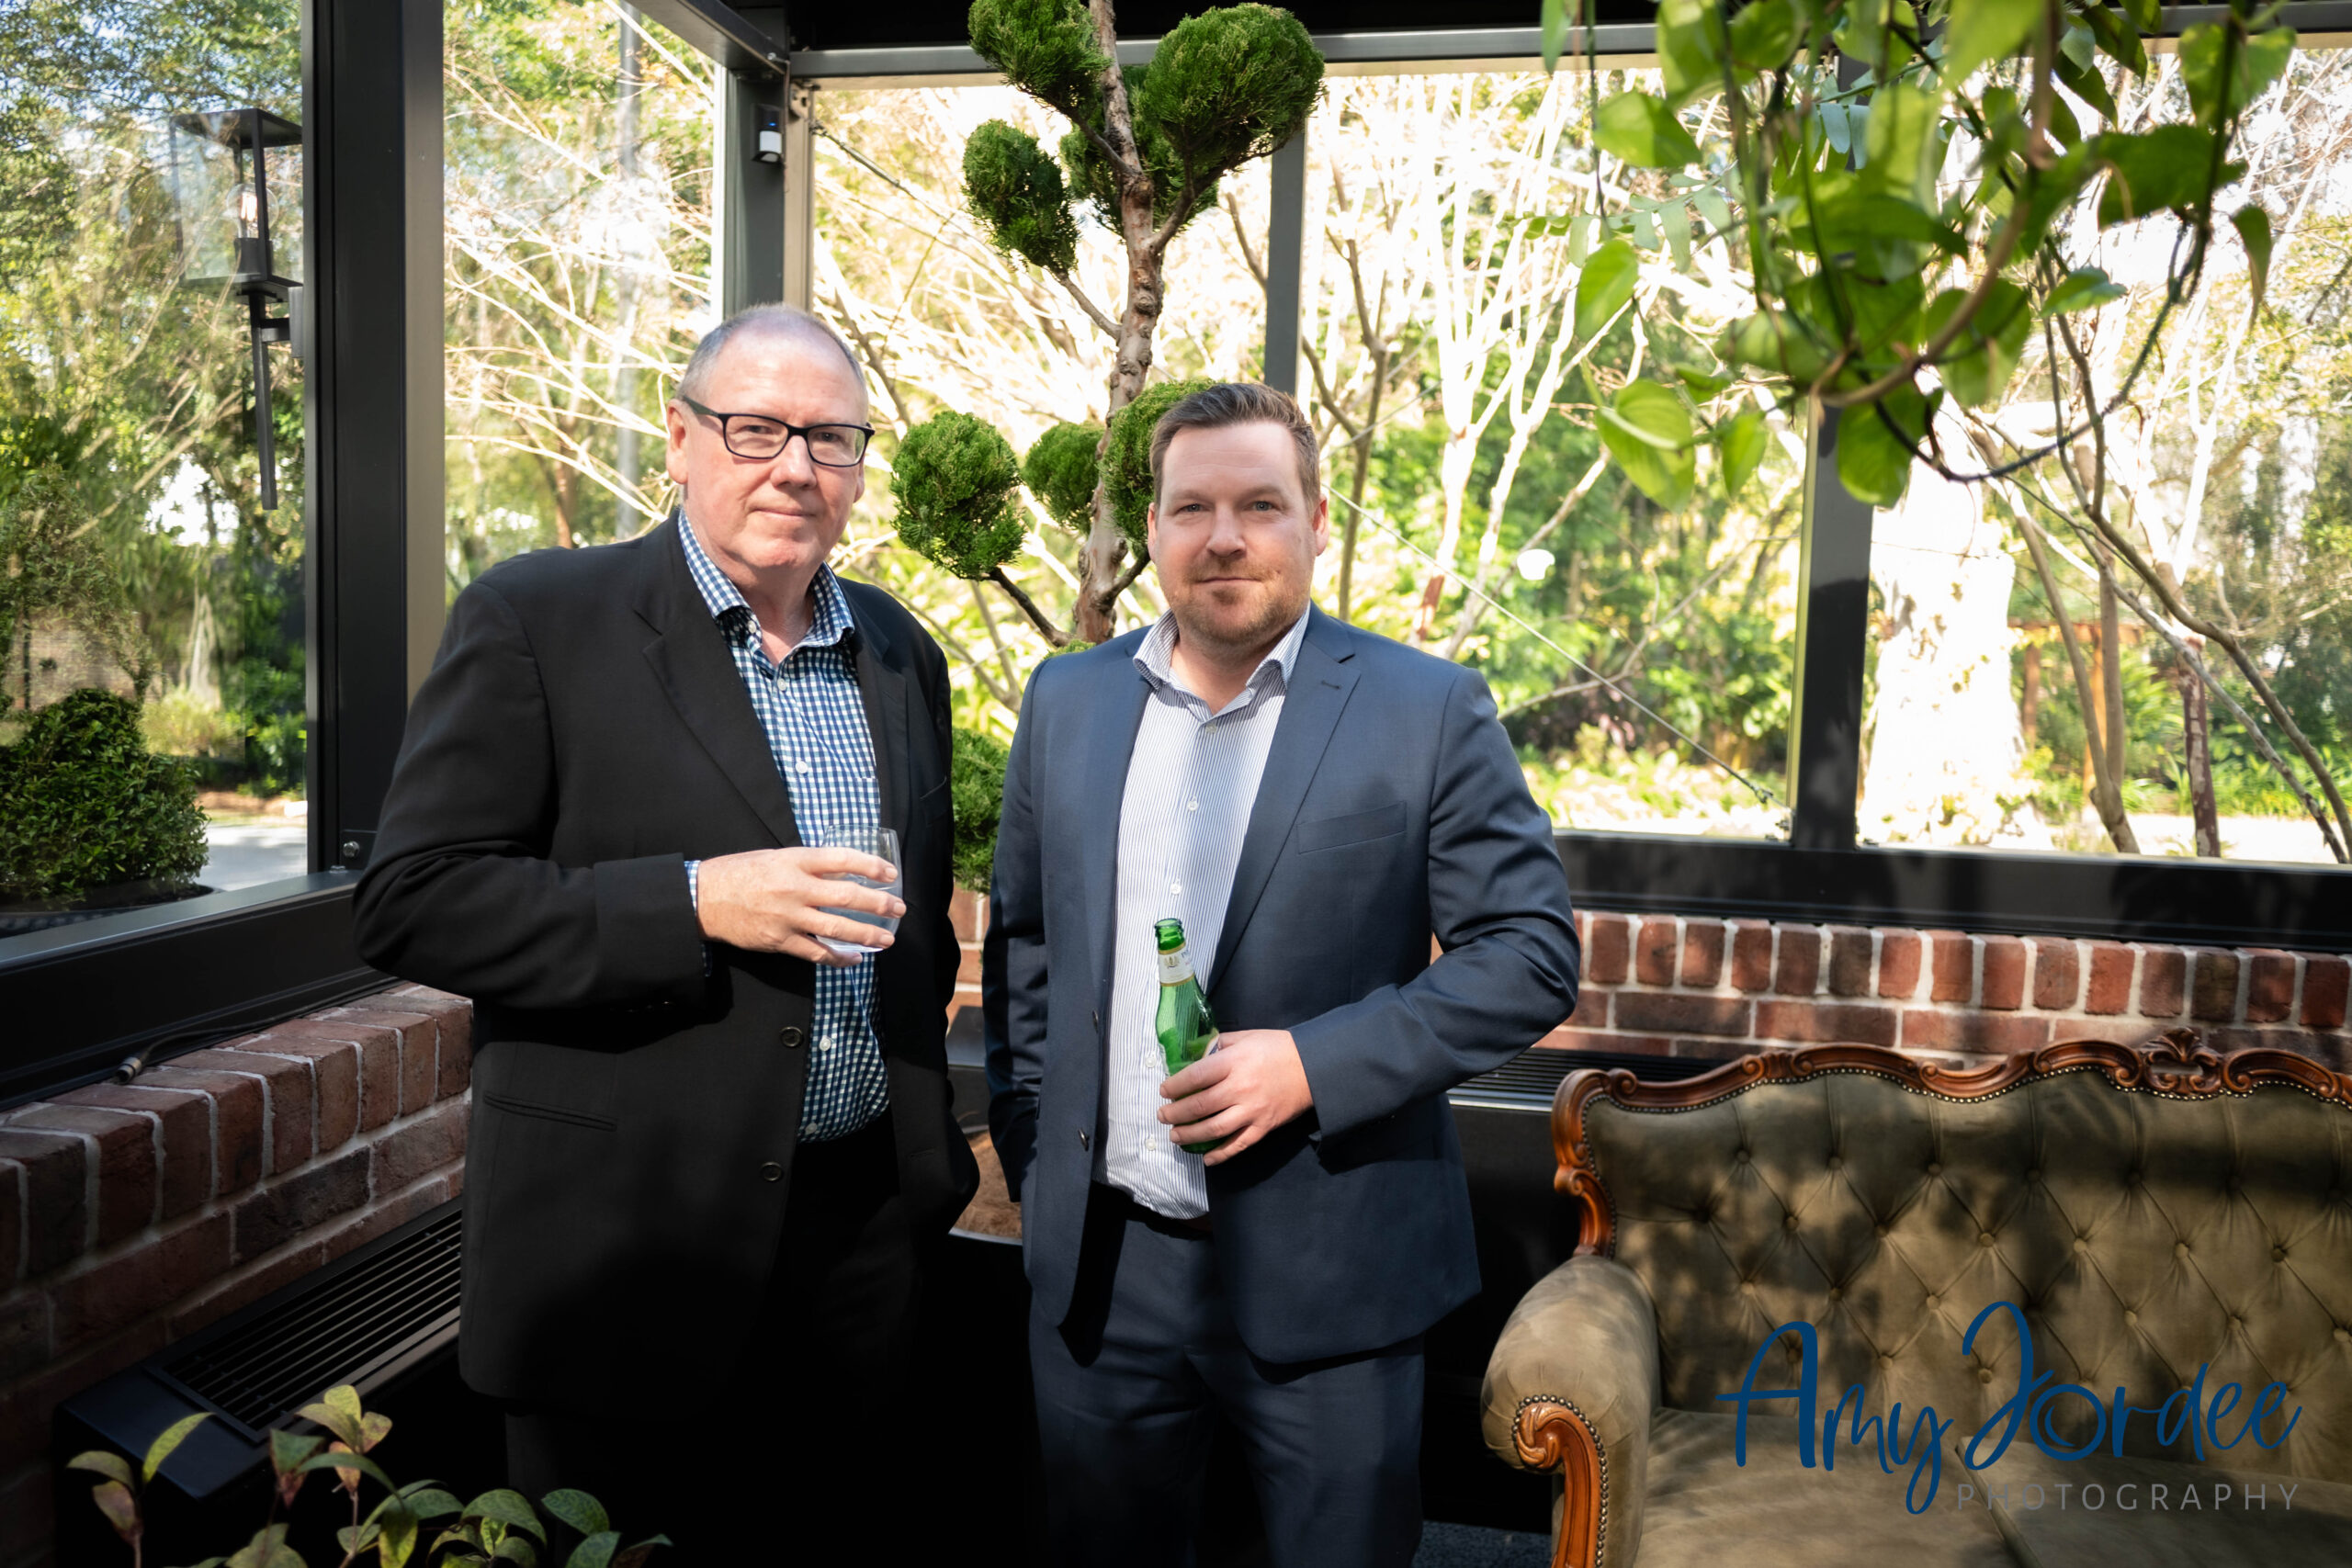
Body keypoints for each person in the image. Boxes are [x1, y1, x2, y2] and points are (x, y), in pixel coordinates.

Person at [354, 304, 977, 1559]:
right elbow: (413, 897)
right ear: (680, 439)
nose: (795, 466)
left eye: (831, 438)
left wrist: (927, 1163)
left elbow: (920, 928)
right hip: (627, 1252)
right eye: (756, 429)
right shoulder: (539, 618)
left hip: (859, 1237)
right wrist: (693, 900)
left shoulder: (898, 652)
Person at [984, 381, 1582, 1567]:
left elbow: (1529, 954)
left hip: (1333, 1283)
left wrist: (1313, 1063)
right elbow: (1028, 947)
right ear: (1153, 528)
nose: (1224, 537)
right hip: (1105, 1279)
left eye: (1259, 504)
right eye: (1191, 508)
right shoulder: (1068, 700)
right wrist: (1040, 1160)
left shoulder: (1426, 708)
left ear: (1315, 517)